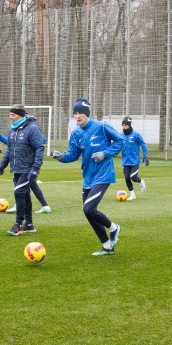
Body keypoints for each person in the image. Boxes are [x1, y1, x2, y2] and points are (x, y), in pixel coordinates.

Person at [52, 98, 123, 256]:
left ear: (87, 114)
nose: (77, 116)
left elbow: (120, 140)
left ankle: (114, 228)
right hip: (88, 177)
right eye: (75, 113)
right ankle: (107, 247)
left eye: (80, 113)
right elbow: (73, 154)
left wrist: (105, 153)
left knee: (89, 208)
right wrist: (61, 157)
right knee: (88, 212)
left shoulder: (102, 127)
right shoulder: (76, 132)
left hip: (104, 174)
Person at [0, 104, 45, 235]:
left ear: (20, 115)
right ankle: (29, 225)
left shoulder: (32, 128)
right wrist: (2, 165)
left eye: (12, 115)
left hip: (28, 169)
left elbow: (39, 148)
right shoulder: (12, 130)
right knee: (25, 196)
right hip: (16, 169)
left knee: (18, 192)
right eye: (10, 115)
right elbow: (9, 150)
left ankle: (18, 224)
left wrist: (35, 168)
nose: (10, 117)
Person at [0, 113, 51, 214]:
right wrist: (0, 136)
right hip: (22, 164)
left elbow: (42, 141)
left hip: (28, 164)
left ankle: (21, 210)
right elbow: (12, 144)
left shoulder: (32, 128)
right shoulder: (17, 129)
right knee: (31, 185)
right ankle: (44, 206)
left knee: (22, 187)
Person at [120, 116, 148, 200]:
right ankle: (132, 195)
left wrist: (145, 156)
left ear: (129, 125)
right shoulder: (120, 135)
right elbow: (117, 146)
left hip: (135, 160)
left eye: (125, 125)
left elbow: (143, 144)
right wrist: (113, 153)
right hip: (125, 161)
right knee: (127, 178)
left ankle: (141, 181)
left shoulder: (136, 134)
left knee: (133, 177)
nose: (123, 127)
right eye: (122, 125)